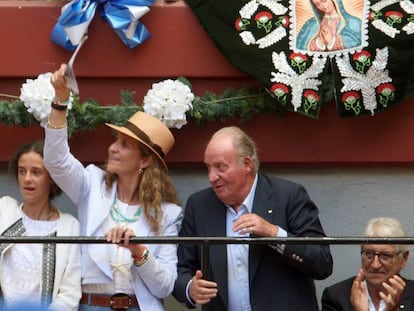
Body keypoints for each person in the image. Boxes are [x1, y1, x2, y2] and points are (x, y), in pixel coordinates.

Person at [44, 64, 183, 311]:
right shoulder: (92, 185)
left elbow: (165, 287)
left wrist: (139, 252)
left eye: (125, 145)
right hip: (91, 305)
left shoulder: (168, 214)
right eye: (115, 141)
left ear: (144, 160)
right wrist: (60, 102)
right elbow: (56, 161)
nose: (112, 149)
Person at [172, 126, 333, 310]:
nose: (212, 177)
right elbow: (180, 269)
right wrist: (190, 288)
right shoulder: (199, 206)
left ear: (247, 164)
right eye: (208, 167)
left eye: (220, 167)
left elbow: (323, 263)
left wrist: (274, 233)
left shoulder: (288, 196)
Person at [0, 140, 81, 310]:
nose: (27, 179)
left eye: (36, 172)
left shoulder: (68, 226)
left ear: (51, 178)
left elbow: (70, 293)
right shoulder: (4, 209)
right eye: (22, 171)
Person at [322, 217, 414, 311]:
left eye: (385, 256)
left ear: (404, 258)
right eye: (369, 254)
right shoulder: (336, 297)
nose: (375, 265)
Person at [296, 0, 361, 51]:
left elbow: (357, 44)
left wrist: (332, 40)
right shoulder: (312, 24)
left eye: (324, 1)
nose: (323, 6)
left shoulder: (353, 22)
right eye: (317, 4)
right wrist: (319, 42)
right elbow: (302, 46)